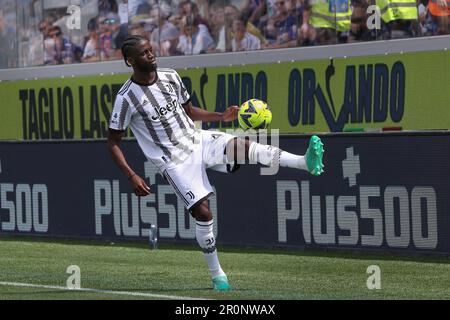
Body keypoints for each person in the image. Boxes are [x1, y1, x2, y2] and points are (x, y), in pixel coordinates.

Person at [107, 35, 324, 291]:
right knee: (203, 212)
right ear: (130, 60)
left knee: (243, 147)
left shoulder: (170, 76)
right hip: (174, 160)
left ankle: (304, 162)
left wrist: (220, 116)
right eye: (144, 53)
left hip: (198, 139)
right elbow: (113, 142)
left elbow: (189, 111)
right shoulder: (126, 98)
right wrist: (131, 175)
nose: (151, 55)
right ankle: (217, 274)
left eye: (151, 49)